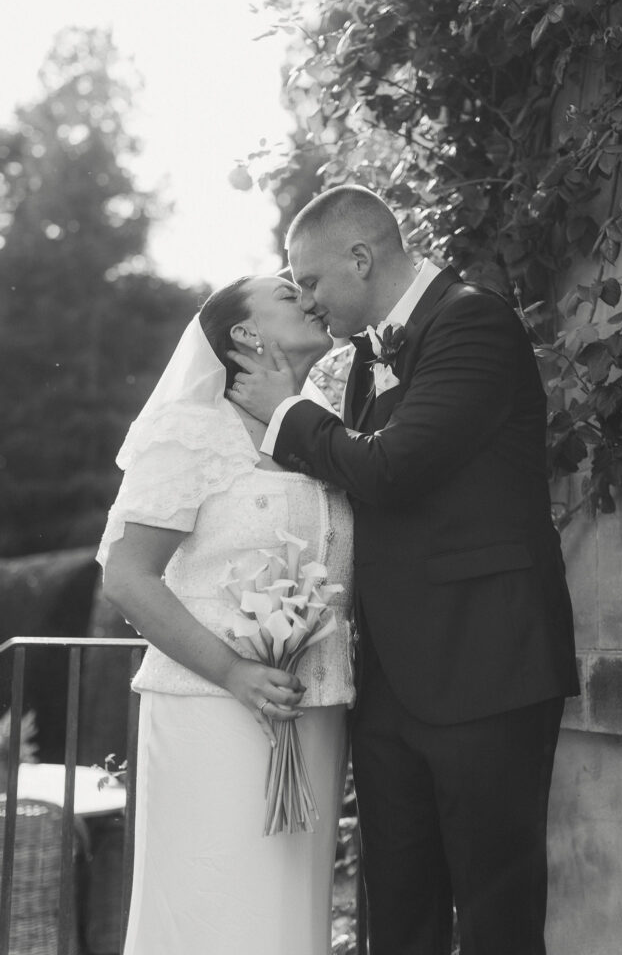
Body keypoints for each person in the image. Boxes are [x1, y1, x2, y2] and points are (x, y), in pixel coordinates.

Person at [227, 185, 580, 955]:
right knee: (395, 918)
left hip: (488, 668)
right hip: (391, 686)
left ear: (361, 257)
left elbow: (392, 469)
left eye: (310, 280)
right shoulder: (363, 359)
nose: (306, 300)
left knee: (494, 920)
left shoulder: (474, 322)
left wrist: (286, 411)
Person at [97, 276, 355, 955]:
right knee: (216, 907)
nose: (309, 295)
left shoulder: (322, 427)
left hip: (312, 711)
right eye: (287, 291)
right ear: (244, 333)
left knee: (287, 914)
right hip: (212, 711)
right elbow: (127, 577)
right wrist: (234, 671)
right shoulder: (191, 429)